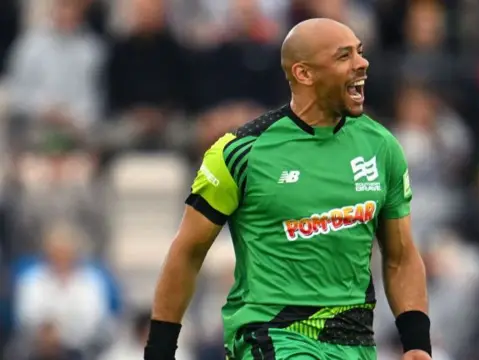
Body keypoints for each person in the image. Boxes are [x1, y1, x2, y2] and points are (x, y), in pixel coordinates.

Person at [144, 18, 432, 360]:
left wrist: (417, 343)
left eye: (360, 52)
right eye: (344, 56)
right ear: (304, 74)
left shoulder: (381, 147)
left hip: (354, 341)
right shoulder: (241, 151)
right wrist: (159, 351)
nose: (362, 63)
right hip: (270, 335)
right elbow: (188, 252)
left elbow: (400, 257)